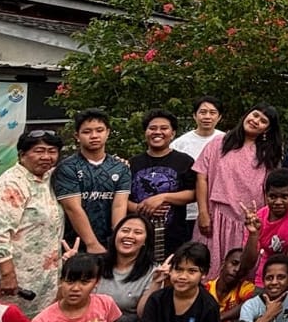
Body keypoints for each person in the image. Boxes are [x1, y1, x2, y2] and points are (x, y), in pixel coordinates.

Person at [0, 129, 64, 314]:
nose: (46, 157)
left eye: (52, 151)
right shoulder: (11, 183)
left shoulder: (47, 178)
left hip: (39, 273)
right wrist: (7, 275)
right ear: (22, 154)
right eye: (39, 151)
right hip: (9, 274)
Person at [194, 103, 284, 279]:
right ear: (246, 115)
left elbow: (270, 191)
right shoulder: (219, 143)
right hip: (216, 217)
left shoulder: (270, 153)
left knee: (242, 273)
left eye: (263, 121)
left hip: (249, 222)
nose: (256, 121)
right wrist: (203, 212)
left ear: (267, 129)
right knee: (209, 271)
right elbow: (201, 177)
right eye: (255, 115)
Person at [54, 109, 131, 254]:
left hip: (110, 243)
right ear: (77, 136)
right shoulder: (67, 168)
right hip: (75, 245)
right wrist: (92, 244)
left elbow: (119, 206)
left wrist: (117, 240)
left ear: (108, 132)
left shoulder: (121, 168)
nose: (94, 136)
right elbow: (73, 208)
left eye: (99, 130)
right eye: (87, 131)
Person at [128, 109, 197, 258]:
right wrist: (143, 207)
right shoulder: (133, 163)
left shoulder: (185, 161)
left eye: (164, 128)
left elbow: (193, 193)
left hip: (175, 234)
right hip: (138, 235)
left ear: (172, 134)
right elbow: (121, 200)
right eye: (152, 128)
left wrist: (163, 197)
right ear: (145, 132)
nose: (157, 132)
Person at [96, 216, 162, 322]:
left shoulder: (153, 271)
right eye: (125, 230)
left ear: (145, 240)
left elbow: (143, 314)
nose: (129, 236)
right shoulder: (98, 264)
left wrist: (156, 283)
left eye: (138, 232)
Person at [240, 168, 288, 295]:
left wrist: (277, 291)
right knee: (257, 306)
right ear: (265, 195)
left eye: (285, 196)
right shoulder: (258, 217)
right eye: (273, 196)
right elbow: (247, 264)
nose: (278, 202)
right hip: (268, 271)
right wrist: (254, 234)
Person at [170, 96, 226, 226]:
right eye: (202, 112)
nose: (207, 117)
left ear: (219, 117)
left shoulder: (227, 141)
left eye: (212, 113)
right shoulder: (179, 144)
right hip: (188, 212)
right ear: (194, 116)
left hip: (219, 211)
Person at [205, 248, 256, 322]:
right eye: (234, 263)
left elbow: (252, 303)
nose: (237, 269)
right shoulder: (206, 289)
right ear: (223, 263)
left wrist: (221, 317)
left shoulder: (245, 287)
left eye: (242, 268)